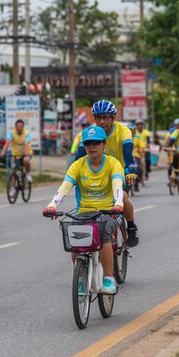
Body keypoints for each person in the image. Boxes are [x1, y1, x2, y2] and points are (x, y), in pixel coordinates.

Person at [43, 126, 125, 294]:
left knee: (104, 236)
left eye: (96, 143)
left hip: (109, 211)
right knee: (75, 239)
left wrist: (118, 203)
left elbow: (117, 183)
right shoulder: (78, 165)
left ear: (104, 144)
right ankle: (80, 276)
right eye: (88, 143)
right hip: (84, 212)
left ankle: (109, 278)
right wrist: (53, 205)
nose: (92, 146)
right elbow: (65, 186)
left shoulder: (113, 163)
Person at [75, 100, 139, 247]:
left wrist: (131, 168)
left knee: (122, 197)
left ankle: (131, 226)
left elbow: (128, 151)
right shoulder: (90, 133)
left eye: (106, 117)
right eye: (98, 117)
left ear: (113, 118)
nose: (102, 121)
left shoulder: (123, 131)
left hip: (120, 174)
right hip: (97, 175)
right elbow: (79, 157)